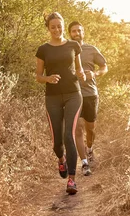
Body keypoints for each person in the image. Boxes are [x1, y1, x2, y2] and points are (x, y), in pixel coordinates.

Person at [35, 12, 86, 194]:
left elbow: (80, 70)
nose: (57, 29)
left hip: (73, 94)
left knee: (69, 135)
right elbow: (38, 76)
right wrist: (48, 78)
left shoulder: (74, 45)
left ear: (64, 26)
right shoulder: (43, 49)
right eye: (53, 27)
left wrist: (82, 75)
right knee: (57, 141)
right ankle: (61, 158)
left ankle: (71, 179)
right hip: (53, 97)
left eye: (59, 26)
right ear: (48, 29)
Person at [68, 21, 108, 176]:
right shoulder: (66, 50)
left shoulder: (91, 49)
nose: (76, 33)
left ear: (83, 32)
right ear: (70, 33)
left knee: (90, 128)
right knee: (78, 128)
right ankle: (84, 163)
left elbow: (104, 67)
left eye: (79, 30)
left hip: (91, 93)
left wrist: (96, 73)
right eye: (73, 31)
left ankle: (89, 149)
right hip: (73, 94)